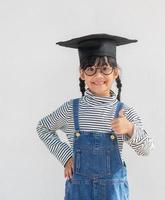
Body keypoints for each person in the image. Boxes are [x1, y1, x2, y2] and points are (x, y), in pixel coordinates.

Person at [36, 33, 154, 200]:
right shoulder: (71, 109)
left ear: (115, 73)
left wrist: (129, 129)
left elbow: (147, 149)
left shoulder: (124, 113)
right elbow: (43, 127)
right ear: (82, 74)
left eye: (105, 68)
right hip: (79, 193)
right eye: (91, 69)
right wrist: (66, 156)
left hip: (113, 193)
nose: (98, 76)